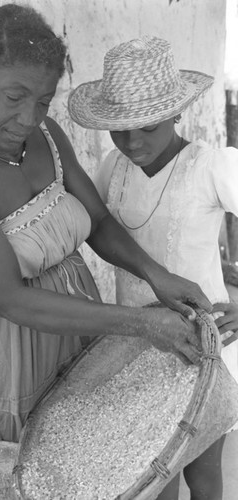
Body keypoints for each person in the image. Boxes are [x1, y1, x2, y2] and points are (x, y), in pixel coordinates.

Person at [0, 6, 211, 445]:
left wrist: (157, 275)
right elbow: (12, 301)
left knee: (84, 447)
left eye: (42, 102)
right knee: (30, 455)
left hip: (78, 317)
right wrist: (142, 323)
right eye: (14, 98)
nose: (28, 119)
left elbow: (95, 219)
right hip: (15, 342)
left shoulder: (47, 136)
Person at [68, 35, 238, 500]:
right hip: (136, 347)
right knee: (150, 478)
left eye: (146, 125)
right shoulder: (111, 170)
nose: (132, 140)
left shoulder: (210, 167)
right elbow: (97, 228)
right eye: (119, 129)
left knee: (202, 472)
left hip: (202, 347)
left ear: (177, 111)